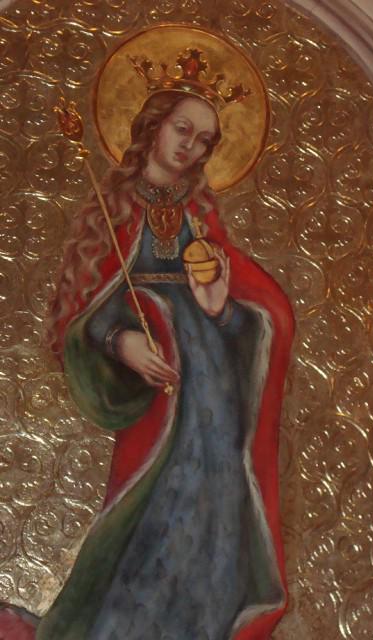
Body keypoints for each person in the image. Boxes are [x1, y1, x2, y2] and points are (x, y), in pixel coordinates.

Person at [2, 80, 294, 640]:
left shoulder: (201, 216)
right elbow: (87, 307)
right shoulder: (113, 209)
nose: (191, 146)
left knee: (216, 502)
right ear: (152, 128)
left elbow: (251, 318)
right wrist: (121, 340)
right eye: (182, 129)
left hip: (216, 397)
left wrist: (222, 311)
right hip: (159, 398)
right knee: (155, 501)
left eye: (204, 140)